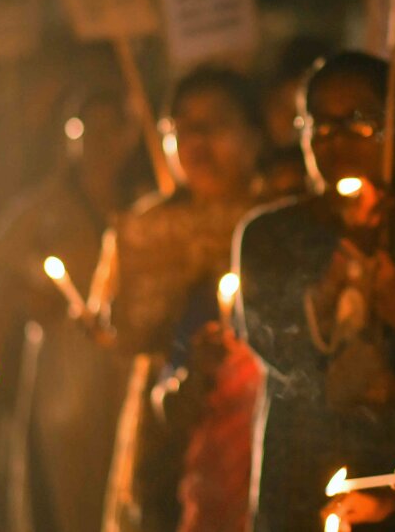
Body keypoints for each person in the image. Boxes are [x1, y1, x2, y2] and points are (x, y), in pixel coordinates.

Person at [235, 51, 395, 531]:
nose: (337, 143)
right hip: (299, 473)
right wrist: (323, 297)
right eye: (321, 125)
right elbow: (272, 347)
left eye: (359, 124)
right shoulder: (269, 234)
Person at [98, 66, 267, 532]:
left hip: (262, 424)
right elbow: (124, 333)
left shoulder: (279, 224)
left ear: (254, 136)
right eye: (182, 126)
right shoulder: (146, 227)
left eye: (214, 122)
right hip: (168, 423)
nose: (196, 140)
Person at [0, 89, 140, 532]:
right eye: (85, 131)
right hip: (67, 366)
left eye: (107, 131)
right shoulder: (44, 206)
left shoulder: (141, 203)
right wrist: (28, 296)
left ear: (125, 137)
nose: (97, 143)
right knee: (70, 483)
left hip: (127, 361)